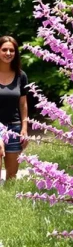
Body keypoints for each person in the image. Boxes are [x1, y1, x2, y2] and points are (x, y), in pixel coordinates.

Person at [0, 36, 29, 181]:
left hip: (14, 128)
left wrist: (24, 128)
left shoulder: (21, 76)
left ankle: (7, 203)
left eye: (12, 50)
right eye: (4, 49)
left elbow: (23, 104)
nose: (8, 53)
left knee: (12, 177)